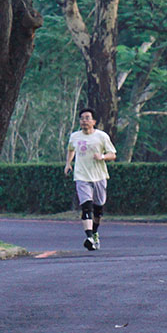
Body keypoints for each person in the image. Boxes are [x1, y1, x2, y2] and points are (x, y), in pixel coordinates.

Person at [64, 107, 116, 251]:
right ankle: (88, 237)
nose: (84, 121)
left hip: (99, 176)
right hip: (81, 176)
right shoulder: (75, 136)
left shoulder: (101, 136)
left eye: (87, 118)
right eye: (82, 118)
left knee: (98, 208)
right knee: (86, 206)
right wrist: (68, 163)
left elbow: (113, 154)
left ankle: (94, 232)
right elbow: (70, 149)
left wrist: (103, 157)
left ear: (93, 121)